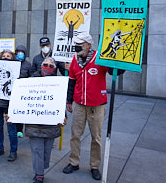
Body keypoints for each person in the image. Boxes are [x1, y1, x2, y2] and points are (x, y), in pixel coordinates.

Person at [62, 33, 122, 181]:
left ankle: (94, 166)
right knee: (75, 135)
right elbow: (71, 82)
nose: (77, 46)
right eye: (75, 43)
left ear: (88, 45)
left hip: (97, 105)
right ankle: (73, 162)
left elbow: (116, 71)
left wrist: (122, 63)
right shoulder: (75, 60)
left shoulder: (100, 58)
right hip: (78, 105)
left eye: (80, 43)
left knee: (96, 137)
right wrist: (69, 101)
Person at [26, 57, 66, 183]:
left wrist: (63, 116)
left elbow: (61, 102)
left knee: (46, 151)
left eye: (51, 66)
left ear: (54, 69)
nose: (47, 67)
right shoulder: (30, 81)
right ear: (41, 66)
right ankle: (39, 174)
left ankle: (40, 169)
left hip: (50, 123)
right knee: (37, 149)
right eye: (46, 64)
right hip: (34, 124)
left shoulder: (58, 83)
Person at [0, 50, 18, 162]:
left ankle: (13, 151)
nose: (5, 58)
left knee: (11, 128)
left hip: (9, 104)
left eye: (8, 56)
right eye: (3, 56)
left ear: (12, 58)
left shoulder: (15, 70)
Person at [15, 45, 31, 138]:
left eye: (22, 52)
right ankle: (17, 129)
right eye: (18, 52)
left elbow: (30, 75)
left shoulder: (28, 64)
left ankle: (21, 129)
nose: (20, 54)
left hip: (24, 90)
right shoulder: (13, 62)